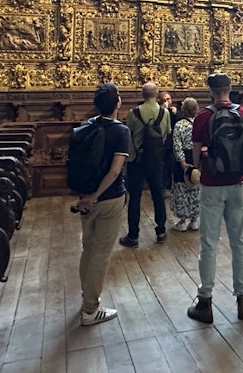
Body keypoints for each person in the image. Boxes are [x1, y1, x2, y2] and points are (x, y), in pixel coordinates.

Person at [186, 72, 243, 324]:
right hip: (239, 184)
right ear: (231, 88)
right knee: (239, 242)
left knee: (209, 243)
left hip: (212, 185)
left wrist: (201, 169)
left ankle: (205, 301)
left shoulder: (204, 116)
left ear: (210, 90)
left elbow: (195, 155)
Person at [72, 83, 130, 326]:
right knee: (101, 253)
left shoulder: (83, 128)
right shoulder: (121, 131)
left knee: (88, 247)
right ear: (117, 103)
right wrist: (96, 195)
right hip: (109, 198)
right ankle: (90, 309)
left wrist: (85, 197)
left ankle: (86, 297)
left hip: (86, 199)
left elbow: (74, 166)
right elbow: (115, 171)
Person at [119, 81, 171, 247]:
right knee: (158, 195)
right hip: (156, 160)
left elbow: (129, 134)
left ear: (142, 95)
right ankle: (161, 231)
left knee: (135, 198)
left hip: (136, 160)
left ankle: (133, 236)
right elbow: (166, 134)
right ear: (157, 95)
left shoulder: (134, 113)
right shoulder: (165, 112)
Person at [170, 97, 201, 231]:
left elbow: (177, 145)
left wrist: (182, 161)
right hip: (196, 158)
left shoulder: (179, 125)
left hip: (183, 159)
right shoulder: (199, 124)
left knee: (181, 188)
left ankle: (182, 221)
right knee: (195, 187)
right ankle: (194, 220)